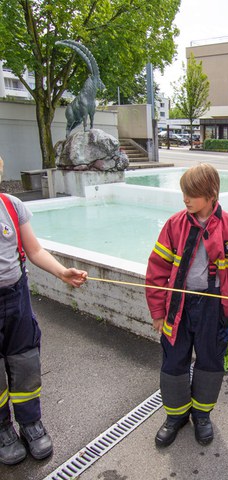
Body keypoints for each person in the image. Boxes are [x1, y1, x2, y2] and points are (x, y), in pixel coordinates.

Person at [145, 163, 228, 448]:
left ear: (211, 194)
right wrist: (158, 312)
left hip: (214, 308)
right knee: (173, 360)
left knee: (210, 361)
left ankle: (202, 415)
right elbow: (156, 269)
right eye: (184, 193)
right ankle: (176, 415)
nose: (185, 199)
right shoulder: (174, 225)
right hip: (178, 306)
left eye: (192, 194)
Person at [0, 156, 88, 466]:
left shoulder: (11, 205)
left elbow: (34, 250)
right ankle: (3, 429)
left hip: (16, 297)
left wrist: (63, 272)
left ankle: (30, 422)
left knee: (25, 361)